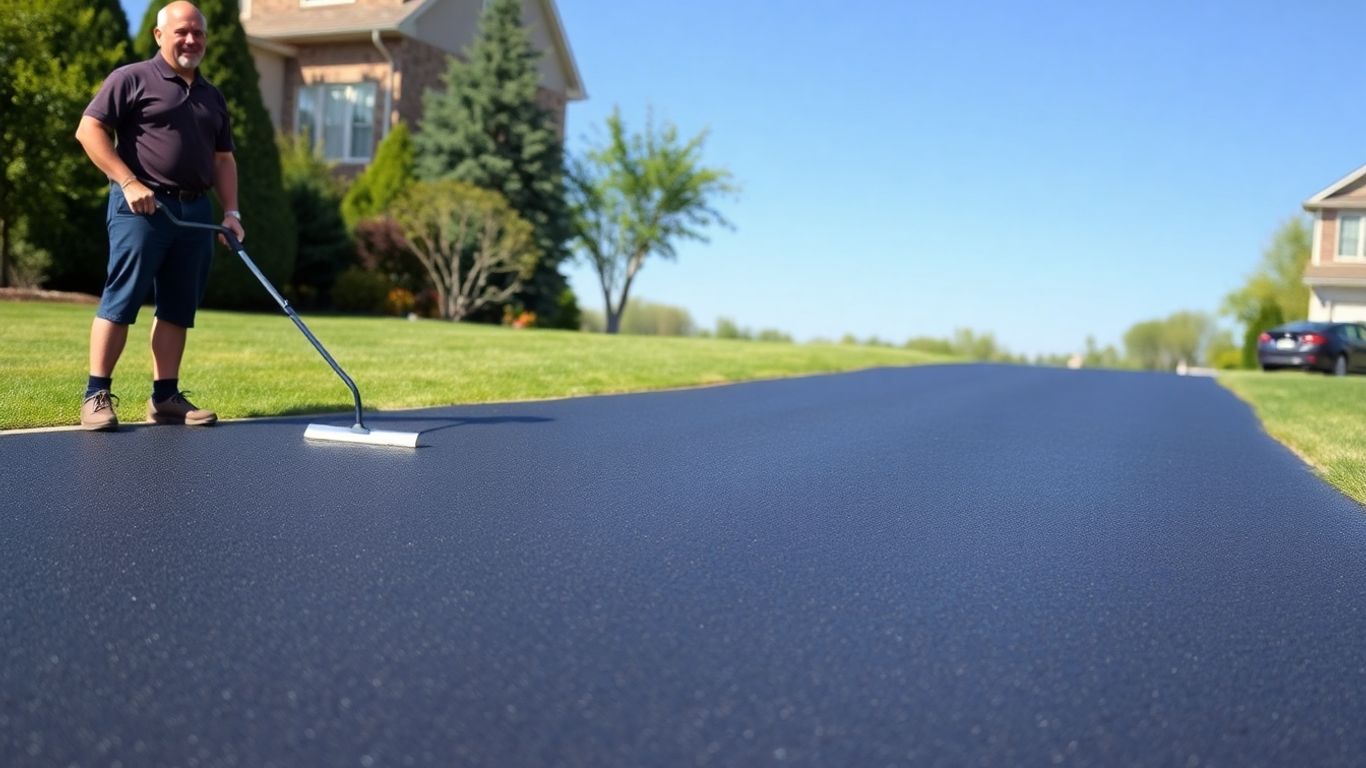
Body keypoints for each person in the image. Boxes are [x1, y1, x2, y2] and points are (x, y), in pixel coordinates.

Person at [73, 0, 245, 431]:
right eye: (182, 31)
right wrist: (128, 182)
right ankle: (96, 394)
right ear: (159, 35)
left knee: (178, 306)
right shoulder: (131, 78)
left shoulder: (212, 95)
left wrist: (231, 212)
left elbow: (224, 159)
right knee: (122, 299)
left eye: (198, 33)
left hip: (195, 212)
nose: (191, 40)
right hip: (141, 209)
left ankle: (165, 396)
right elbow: (88, 129)